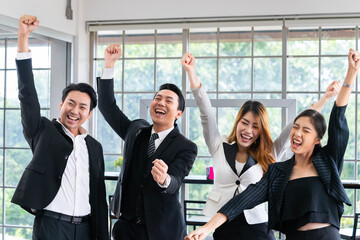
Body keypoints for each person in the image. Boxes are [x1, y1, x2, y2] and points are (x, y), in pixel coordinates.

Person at [185, 48, 360, 240]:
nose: (298, 133)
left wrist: (348, 78)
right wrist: (206, 228)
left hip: (313, 235)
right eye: (295, 128)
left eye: (306, 130)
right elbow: (243, 199)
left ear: (317, 139)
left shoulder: (325, 160)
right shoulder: (278, 171)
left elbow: (337, 122)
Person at [11, 15, 109, 240]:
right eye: (70, 103)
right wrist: (23, 38)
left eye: (82, 107)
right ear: (61, 105)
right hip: (52, 228)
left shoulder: (94, 147)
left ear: (89, 114)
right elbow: (27, 96)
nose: (75, 111)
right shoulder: (42, 131)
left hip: (85, 229)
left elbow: (98, 195)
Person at [97, 44, 197, 240]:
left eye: (169, 100)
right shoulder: (135, 131)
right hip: (126, 229)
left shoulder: (186, 146)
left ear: (178, 113)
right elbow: (107, 106)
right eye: (157, 98)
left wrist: (164, 180)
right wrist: (109, 64)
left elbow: (176, 180)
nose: (160, 102)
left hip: (163, 232)